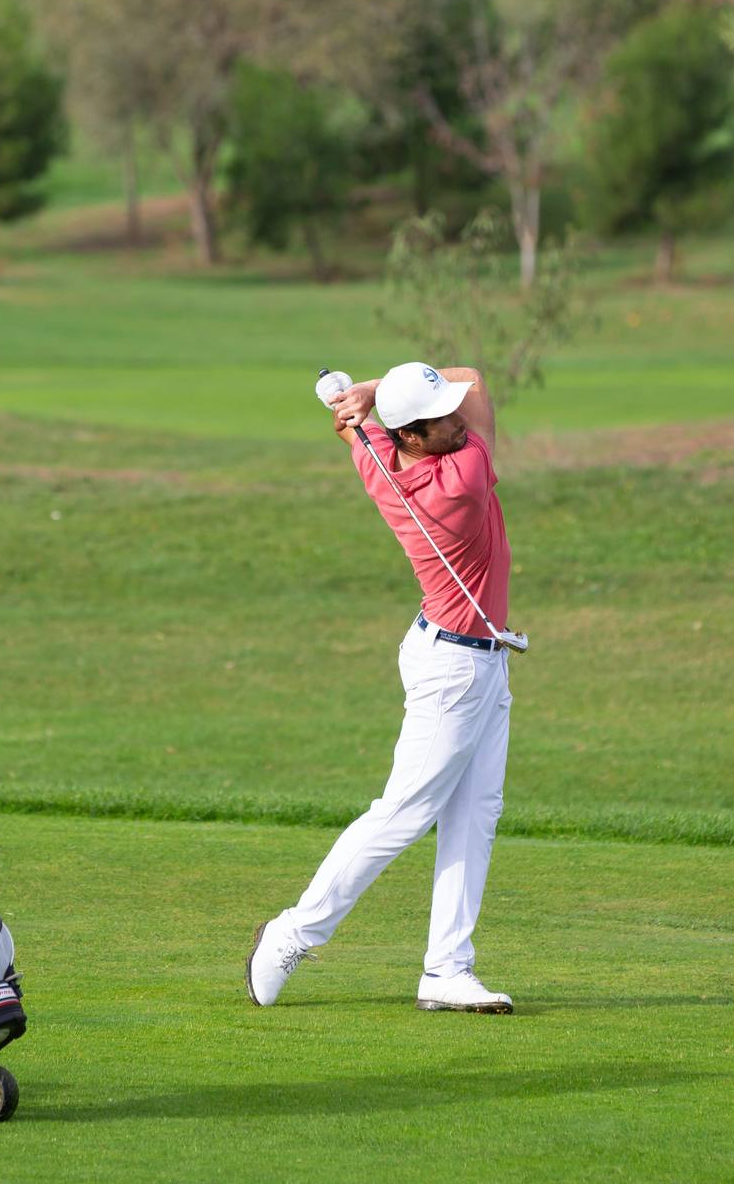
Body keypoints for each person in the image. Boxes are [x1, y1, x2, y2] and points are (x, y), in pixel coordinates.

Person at [247, 362, 519, 1014]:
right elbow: (475, 379)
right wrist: (368, 390)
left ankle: (447, 970)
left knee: (473, 814)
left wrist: (361, 405)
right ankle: (292, 934)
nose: (458, 420)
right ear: (416, 437)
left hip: (466, 655)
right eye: (443, 419)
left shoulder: (382, 463)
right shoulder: (463, 478)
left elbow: (359, 436)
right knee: (402, 815)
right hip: (454, 671)